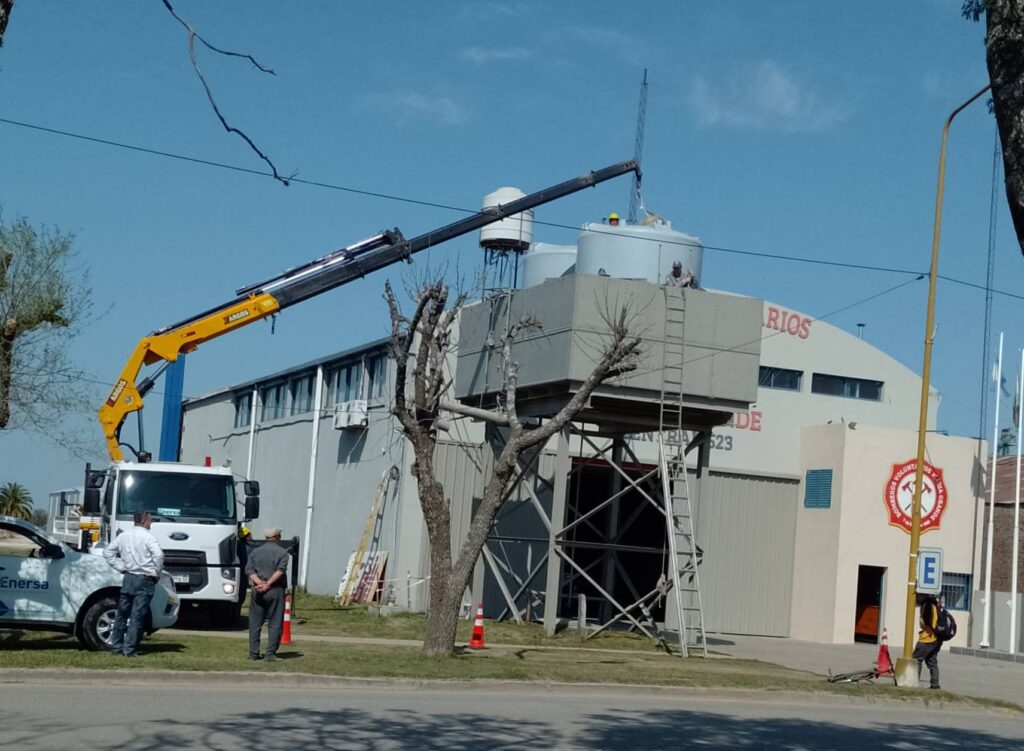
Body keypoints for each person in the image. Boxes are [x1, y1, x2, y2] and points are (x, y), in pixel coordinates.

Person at [102, 511, 164, 657]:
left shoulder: (124, 535)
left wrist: (120, 566)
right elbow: (159, 555)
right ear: (144, 521)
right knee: (137, 616)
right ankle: (129, 649)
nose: (151, 523)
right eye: (150, 520)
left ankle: (116, 647)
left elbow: (108, 552)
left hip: (128, 577)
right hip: (145, 578)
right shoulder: (149, 537)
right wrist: (157, 572)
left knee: (122, 614)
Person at [246, 527, 290, 661]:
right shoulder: (283, 553)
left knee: (255, 623)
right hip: (275, 590)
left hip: (257, 590)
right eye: (279, 535)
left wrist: (259, 583)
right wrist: (268, 584)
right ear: (276, 537)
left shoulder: (255, 552)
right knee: (275, 623)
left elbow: (249, 570)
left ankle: (253, 653)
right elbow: (280, 571)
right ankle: (270, 653)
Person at [912, 593, 941, 689]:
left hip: (926, 638)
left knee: (916, 660)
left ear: (922, 595)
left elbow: (924, 623)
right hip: (935, 639)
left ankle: (914, 682)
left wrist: (921, 621)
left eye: (917, 595)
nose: (916, 598)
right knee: (932, 662)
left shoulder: (927, 605)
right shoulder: (933, 604)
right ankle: (935, 685)